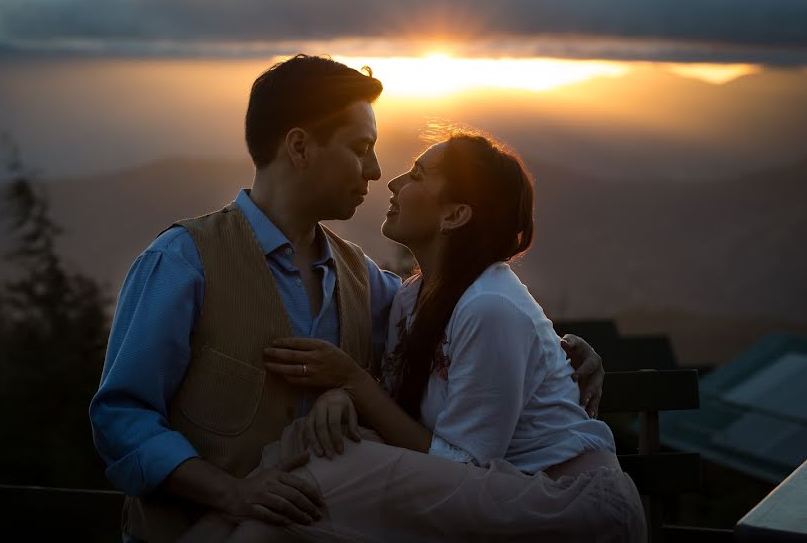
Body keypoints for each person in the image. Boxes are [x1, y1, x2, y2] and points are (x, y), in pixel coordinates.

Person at [89, 56, 606, 543]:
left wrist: (559, 349)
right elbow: (121, 417)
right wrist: (232, 493)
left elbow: (458, 319)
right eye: (360, 148)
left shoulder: (362, 279)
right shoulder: (182, 261)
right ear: (299, 148)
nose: (377, 170)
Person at [244, 133, 646, 542]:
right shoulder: (411, 298)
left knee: (321, 474)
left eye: (417, 175)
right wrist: (345, 395)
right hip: (492, 494)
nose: (395, 183)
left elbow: (461, 467)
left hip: (561, 505)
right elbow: (402, 409)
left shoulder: (490, 307)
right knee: (303, 464)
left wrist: (350, 381)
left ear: (454, 215)